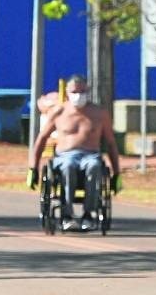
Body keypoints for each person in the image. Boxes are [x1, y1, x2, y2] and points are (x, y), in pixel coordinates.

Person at [27, 75, 121, 231]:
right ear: (68, 92)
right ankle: (67, 215)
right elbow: (41, 139)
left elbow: (111, 143)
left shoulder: (99, 114)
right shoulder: (59, 112)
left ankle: (88, 215)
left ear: (88, 91)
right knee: (68, 166)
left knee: (94, 166)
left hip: (91, 154)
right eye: (75, 91)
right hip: (65, 156)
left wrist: (116, 173)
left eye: (82, 91)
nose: (78, 95)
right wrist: (33, 168)